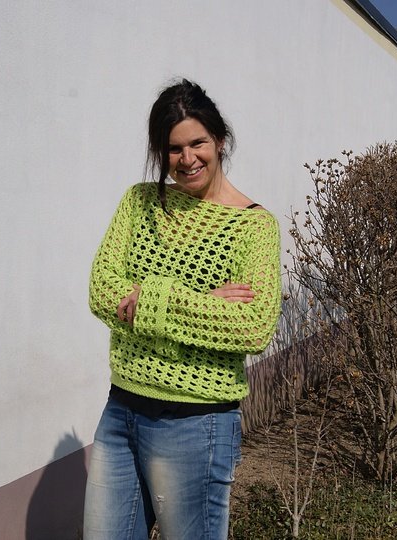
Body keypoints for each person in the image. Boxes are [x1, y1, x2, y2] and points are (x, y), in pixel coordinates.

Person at [83, 79, 282, 539]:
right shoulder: (140, 202)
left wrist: (154, 298)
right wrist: (204, 303)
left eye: (198, 143)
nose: (187, 159)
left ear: (220, 140)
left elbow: (252, 326)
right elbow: (102, 290)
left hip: (197, 423)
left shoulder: (253, 226)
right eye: (174, 148)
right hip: (122, 408)